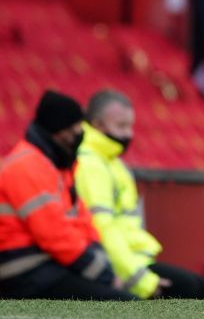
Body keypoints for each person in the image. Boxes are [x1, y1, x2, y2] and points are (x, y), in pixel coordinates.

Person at [75, 90, 204, 299]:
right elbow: (102, 230)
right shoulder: (91, 164)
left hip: (132, 260)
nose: (129, 134)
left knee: (199, 286)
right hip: (116, 266)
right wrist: (140, 280)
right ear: (97, 124)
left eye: (130, 126)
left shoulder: (111, 161)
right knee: (190, 288)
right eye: (121, 126)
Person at [0, 90, 136, 300]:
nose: (80, 133)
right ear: (58, 130)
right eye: (75, 128)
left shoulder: (57, 166)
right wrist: (104, 276)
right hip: (23, 272)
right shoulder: (26, 166)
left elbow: (83, 222)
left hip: (48, 266)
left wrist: (102, 265)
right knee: (126, 304)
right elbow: (54, 236)